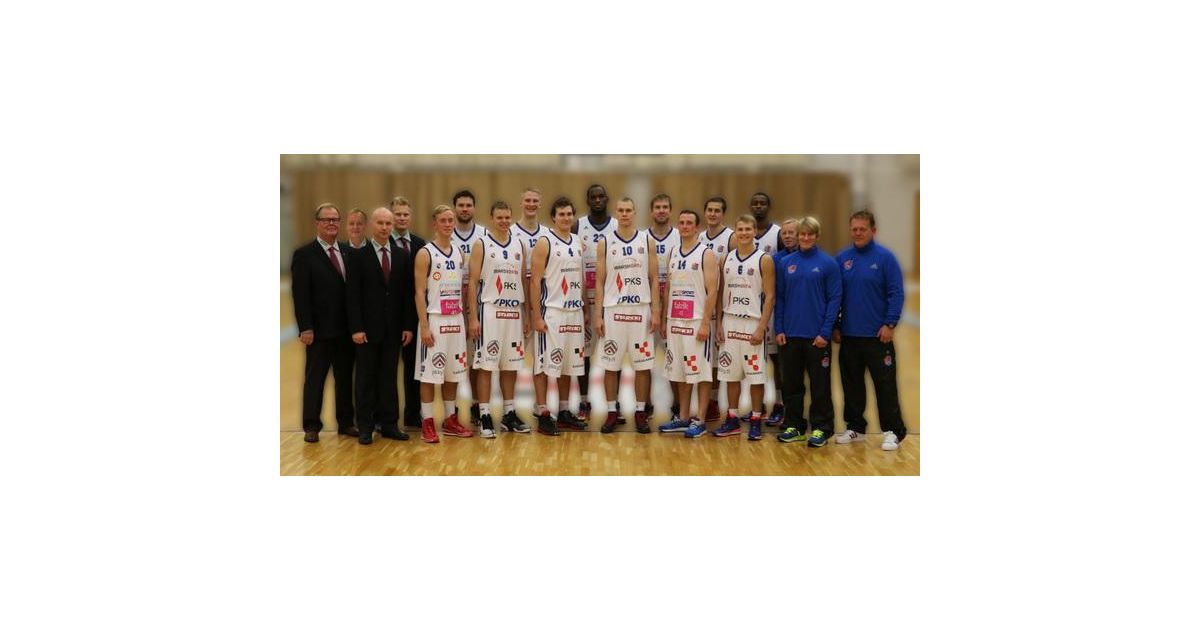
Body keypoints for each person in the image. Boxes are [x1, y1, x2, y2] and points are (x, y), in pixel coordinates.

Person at [833, 210, 908, 451]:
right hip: (849, 336)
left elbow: (896, 293)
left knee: (884, 387)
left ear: (873, 231)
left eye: (862, 229)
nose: (857, 233)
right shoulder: (842, 259)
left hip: (878, 336)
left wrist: (890, 324)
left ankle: (894, 431)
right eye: (854, 229)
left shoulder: (886, 258)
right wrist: (836, 326)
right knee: (851, 385)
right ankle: (856, 427)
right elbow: (835, 296)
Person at [345, 207, 417, 445]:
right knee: (365, 379)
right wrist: (356, 328)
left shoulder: (401, 255)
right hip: (366, 331)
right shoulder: (358, 255)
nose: (385, 227)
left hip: (393, 330)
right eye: (380, 223)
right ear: (371, 226)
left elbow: (406, 295)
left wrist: (408, 326)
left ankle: (389, 424)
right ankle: (365, 427)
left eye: (388, 223)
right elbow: (352, 296)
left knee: (389, 378)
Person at [291, 202, 357, 442]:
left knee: (345, 380)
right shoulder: (304, 255)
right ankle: (311, 425)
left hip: (346, 331)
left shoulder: (349, 252)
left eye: (335, 219)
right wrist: (305, 327)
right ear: (317, 223)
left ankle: (346, 422)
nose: (331, 223)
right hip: (318, 332)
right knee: (315, 380)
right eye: (326, 219)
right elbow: (300, 295)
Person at [774, 217, 841, 447]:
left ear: (817, 236)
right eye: (802, 234)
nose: (805, 238)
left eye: (810, 234)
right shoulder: (786, 263)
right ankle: (795, 426)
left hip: (817, 338)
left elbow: (834, 300)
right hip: (790, 336)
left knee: (820, 386)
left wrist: (825, 332)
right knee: (791, 385)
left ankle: (822, 428)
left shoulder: (828, 263)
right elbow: (781, 298)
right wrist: (780, 328)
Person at [593, 197, 658, 434]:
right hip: (614, 311)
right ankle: (612, 411)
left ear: (635, 212)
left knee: (643, 365)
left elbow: (654, 279)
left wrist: (656, 311)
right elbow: (599, 282)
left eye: (628, 210)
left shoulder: (647, 240)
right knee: (610, 365)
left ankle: (640, 411)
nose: (624, 214)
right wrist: (598, 315)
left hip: (641, 310)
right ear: (616, 213)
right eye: (620, 210)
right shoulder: (605, 242)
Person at [466, 200, 531, 437]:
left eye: (507, 217)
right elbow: (472, 283)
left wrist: (526, 314)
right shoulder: (481, 244)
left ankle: (509, 413)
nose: (504, 221)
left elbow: (523, 280)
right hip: (490, 311)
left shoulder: (520, 244)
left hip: (513, 312)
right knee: (486, 365)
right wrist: (473, 318)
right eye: (499, 217)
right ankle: (484, 414)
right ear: (492, 218)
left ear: (511, 218)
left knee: (510, 365)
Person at [413, 205, 473, 443]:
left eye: (450, 220)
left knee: (453, 373)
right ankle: (428, 422)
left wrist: (465, 319)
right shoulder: (425, 253)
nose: (448, 224)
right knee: (430, 374)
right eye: (443, 220)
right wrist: (424, 326)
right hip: (435, 319)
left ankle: (450, 419)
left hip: (456, 320)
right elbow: (419, 293)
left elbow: (463, 290)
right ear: (434, 224)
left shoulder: (459, 252)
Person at [712, 214, 775, 440]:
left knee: (755, 376)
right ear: (735, 232)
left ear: (755, 232)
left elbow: (770, 296)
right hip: (730, 322)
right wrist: (719, 323)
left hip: (752, 323)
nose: (744, 233)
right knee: (731, 374)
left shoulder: (764, 259)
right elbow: (720, 293)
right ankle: (732, 419)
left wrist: (761, 327)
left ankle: (756, 419)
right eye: (740, 229)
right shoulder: (725, 259)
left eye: (748, 229)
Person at [530, 197, 588, 435]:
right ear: (553, 217)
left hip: (574, 312)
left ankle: (563, 411)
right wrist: (536, 316)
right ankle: (543, 412)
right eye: (561, 214)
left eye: (569, 214)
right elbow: (535, 281)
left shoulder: (577, 241)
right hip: (552, 312)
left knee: (568, 364)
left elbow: (580, 278)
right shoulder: (545, 242)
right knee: (544, 364)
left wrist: (584, 308)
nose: (566, 218)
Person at [658, 209, 719, 438]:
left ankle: (700, 419)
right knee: (682, 370)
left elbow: (712, 291)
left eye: (689, 223)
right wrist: (665, 318)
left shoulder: (706, 254)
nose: (684, 226)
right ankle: (683, 417)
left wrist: (705, 323)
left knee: (701, 371)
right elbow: (668, 289)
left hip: (696, 322)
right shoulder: (673, 252)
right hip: (675, 320)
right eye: (681, 222)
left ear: (697, 227)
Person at [572, 183, 616, 421]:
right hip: (584, 299)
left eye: (601, 196)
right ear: (588, 201)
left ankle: (614, 403)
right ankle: (584, 400)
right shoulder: (578, 225)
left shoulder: (617, 226)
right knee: (584, 353)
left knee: (613, 352)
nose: (597, 200)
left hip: (610, 299)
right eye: (593, 197)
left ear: (607, 198)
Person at [388, 196, 426, 430]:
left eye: (405, 214)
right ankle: (386, 416)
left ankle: (413, 414)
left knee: (414, 369)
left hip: (414, 316)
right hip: (389, 317)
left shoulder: (421, 244)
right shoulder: (381, 243)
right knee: (387, 370)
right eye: (397, 214)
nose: (401, 218)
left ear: (410, 217)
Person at [749, 192, 786, 426]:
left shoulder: (778, 234)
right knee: (753, 359)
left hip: (771, 306)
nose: (759, 206)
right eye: (755, 203)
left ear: (769, 206)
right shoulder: (744, 233)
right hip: (750, 306)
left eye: (763, 203)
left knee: (776, 359)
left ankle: (779, 404)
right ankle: (758, 406)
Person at [697, 196, 734, 422]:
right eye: (709, 210)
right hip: (702, 307)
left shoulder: (731, 238)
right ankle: (709, 403)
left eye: (717, 210)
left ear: (723, 214)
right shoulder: (699, 237)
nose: (712, 214)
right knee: (706, 359)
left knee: (721, 360)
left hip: (723, 304)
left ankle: (720, 403)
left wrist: (720, 318)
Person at [643, 193, 679, 420]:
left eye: (665, 207)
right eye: (657, 207)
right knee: (644, 360)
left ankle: (677, 406)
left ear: (670, 210)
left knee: (673, 359)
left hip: (675, 308)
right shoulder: (642, 238)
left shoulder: (680, 236)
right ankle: (645, 405)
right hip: (648, 307)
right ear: (651, 212)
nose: (661, 210)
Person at [450, 189, 485, 426]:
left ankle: (475, 404)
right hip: (450, 303)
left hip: (476, 302)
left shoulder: (484, 235)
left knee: (475, 358)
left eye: (468, 205)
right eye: (461, 205)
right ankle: (451, 407)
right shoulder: (446, 231)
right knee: (453, 356)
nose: (464, 209)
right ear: (455, 207)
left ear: (474, 208)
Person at [765, 217, 800, 427]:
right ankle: (780, 405)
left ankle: (796, 413)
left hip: (802, 322)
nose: (787, 236)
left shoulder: (809, 257)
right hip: (779, 319)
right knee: (779, 364)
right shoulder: (775, 259)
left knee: (797, 371)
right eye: (784, 233)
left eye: (791, 232)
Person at [514, 187, 550, 378]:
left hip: (540, 299)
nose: (531, 204)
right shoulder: (510, 232)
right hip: (516, 300)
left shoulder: (548, 234)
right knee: (511, 356)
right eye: (528, 200)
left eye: (535, 201)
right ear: (521, 203)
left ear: (540, 204)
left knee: (541, 355)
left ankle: (541, 397)